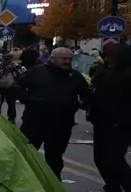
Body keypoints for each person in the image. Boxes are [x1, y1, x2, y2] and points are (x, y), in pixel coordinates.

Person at [16, 47, 90, 178]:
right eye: (63, 58)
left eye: (69, 59)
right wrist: (27, 99)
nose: (67, 61)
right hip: (34, 123)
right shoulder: (36, 72)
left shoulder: (75, 76)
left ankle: (55, 188)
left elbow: (86, 94)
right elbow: (17, 86)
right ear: (52, 59)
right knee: (26, 155)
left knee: (55, 159)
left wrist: (80, 104)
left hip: (61, 125)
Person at [86, 42, 131, 192]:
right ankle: (112, 191)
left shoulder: (127, 75)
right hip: (101, 122)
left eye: (112, 57)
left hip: (118, 125)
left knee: (114, 160)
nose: (109, 60)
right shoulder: (107, 73)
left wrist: (121, 121)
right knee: (101, 158)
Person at [0, 51, 24, 123]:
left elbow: (23, 72)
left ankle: (11, 118)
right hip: (0, 87)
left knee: (11, 104)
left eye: (8, 58)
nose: (7, 60)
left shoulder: (15, 65)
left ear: (11, 59)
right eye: (5, 58)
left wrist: (16, 82)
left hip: (11, 88)